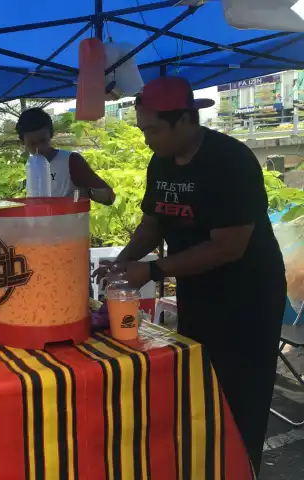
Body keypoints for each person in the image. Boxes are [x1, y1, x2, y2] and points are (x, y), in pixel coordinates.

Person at [98, 77, 286, 474]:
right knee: (200, 381)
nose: (147, 139)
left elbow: (228, 246)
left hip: (246, 295)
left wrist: (149, 270)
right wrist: (121, 261)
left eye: (152, 129)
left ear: (184, 120)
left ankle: (242, 467)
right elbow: (153, 224)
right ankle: (205, 464)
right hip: (197, 287)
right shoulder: (161, 161)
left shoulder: (229, 161)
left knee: (239, 393)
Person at [15, 107, 115, 205]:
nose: (39, 147)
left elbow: (109, 196)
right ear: (22, 141)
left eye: (43, 141)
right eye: (32, 143)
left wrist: (88, 192)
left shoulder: (71, 161)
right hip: (40, 220)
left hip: (68, 220)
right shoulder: (31, 164)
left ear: (51, 134)